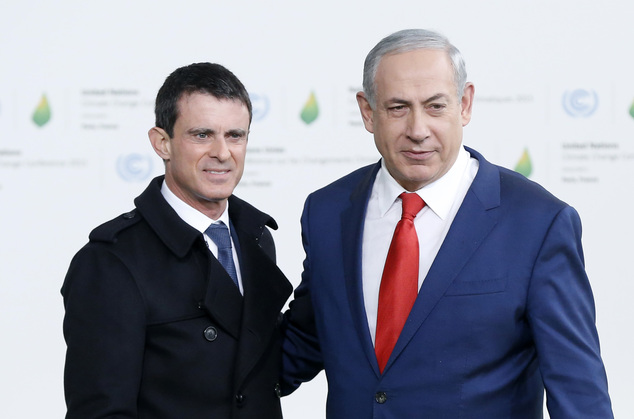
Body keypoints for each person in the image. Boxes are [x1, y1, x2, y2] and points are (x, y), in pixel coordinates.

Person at [281, 29, 613, 418]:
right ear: (368, 112)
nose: (418, 130)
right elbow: (303, 341)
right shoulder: (327, 211)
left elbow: (578, 390)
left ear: (465, 104)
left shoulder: (538, 222)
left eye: (435, 106)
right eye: (397, 108)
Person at [61, 62, 292, 418]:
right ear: (162, 143)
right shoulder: (110, 261)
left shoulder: (257, 237)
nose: (222, 152)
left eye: (235, 135)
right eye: (202, 135)